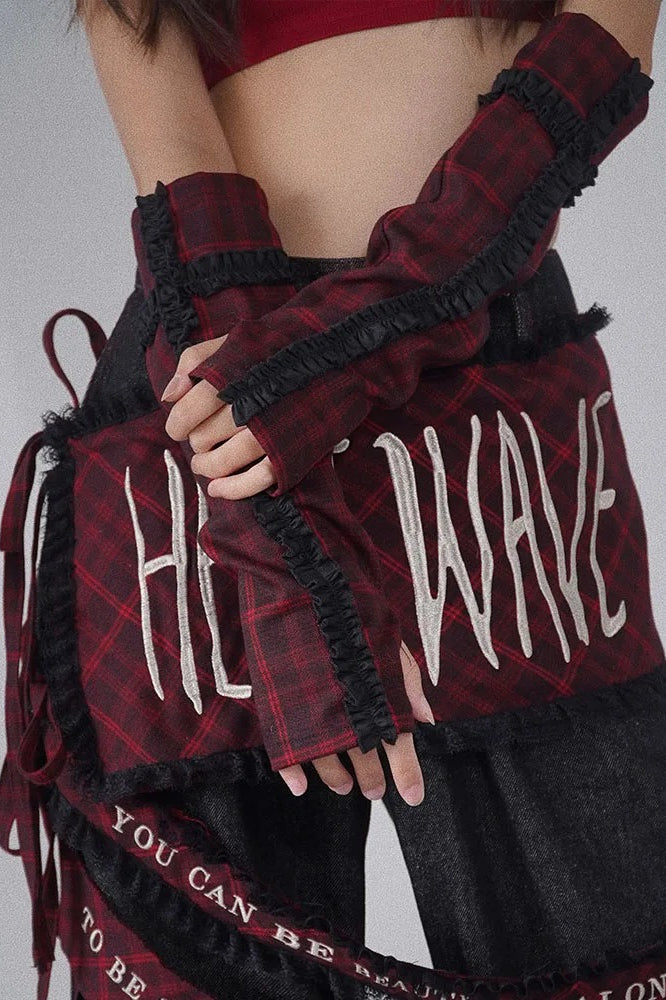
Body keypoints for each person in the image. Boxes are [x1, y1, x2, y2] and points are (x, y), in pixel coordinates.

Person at [1, 1, 664, 998]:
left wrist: (338, 353)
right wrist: (286, 551)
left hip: (483, 407)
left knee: (605, 945)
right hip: (211, 407)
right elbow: (178, 166)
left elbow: (592, 65)